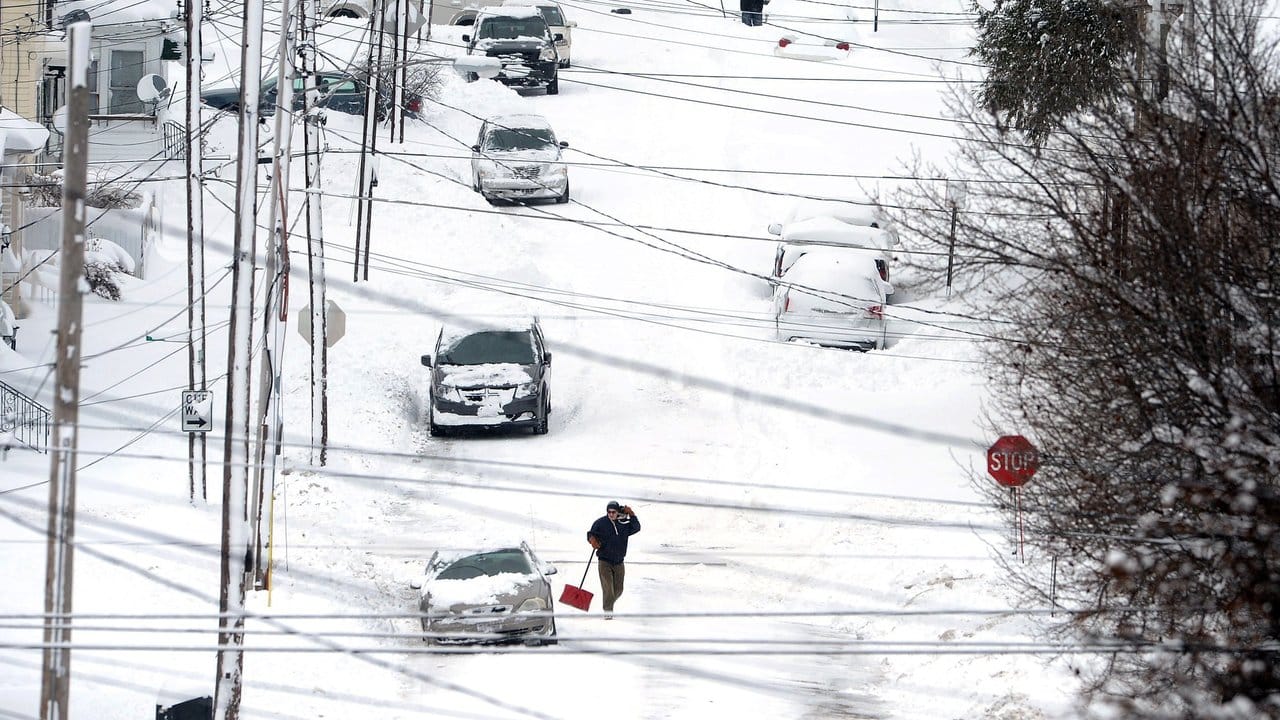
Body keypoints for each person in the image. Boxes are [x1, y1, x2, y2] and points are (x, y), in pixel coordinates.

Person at [587, 500, 641, 617]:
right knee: (608, 589)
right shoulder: (600, 523)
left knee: (619, 589)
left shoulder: (623, 524)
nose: (611, 514)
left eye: (613, 512)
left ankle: (609, 603)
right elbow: (591, 533)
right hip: (604, 561)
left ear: (618, 512)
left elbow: (636, 527)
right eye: (609, 512)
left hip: (619, 562)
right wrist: (592, 540)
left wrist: (632, 514)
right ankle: (608, 611)